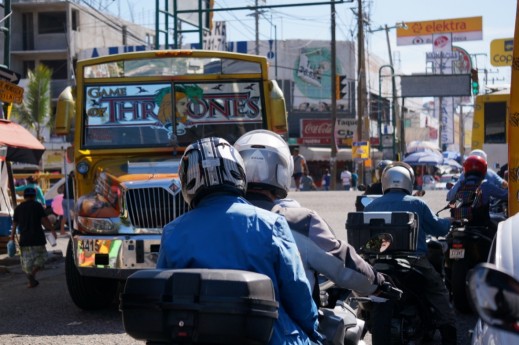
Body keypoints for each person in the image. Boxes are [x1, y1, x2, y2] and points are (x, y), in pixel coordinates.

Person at [157, 137, 323, 345]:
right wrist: (313, 332)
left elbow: (161, 299)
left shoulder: (172, 232)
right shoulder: (272, 224)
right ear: (239, 174)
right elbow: (298, 295)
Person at [234, 130, 386, 299]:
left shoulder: (207, 217)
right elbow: (342, 265)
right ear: (283, 171)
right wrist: (377, 282)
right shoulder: (301, 222)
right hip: (288, 323)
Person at [363, 161, 457, 345]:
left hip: (379, 262)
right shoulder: (417, 203)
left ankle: (365, 315)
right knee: (438, 291)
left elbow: (367, 238)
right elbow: (439, 229)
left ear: (385, 182)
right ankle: (450, 337)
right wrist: (449, 221)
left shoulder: (371, 206)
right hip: (415, 262)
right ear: (408, 182)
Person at [10, 187, 56, 288]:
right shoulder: (37, 206)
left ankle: (31, 279)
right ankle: (32, 275)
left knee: (27, 264)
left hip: (25, 240)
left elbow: (14, 225)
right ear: (34, 196)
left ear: (24, 197)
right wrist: (52, 230)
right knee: (42, 257)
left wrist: (12, 238)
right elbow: (45, 221)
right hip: (38, 238)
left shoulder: (18, 208)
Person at [446, 155, 508, 228]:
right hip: (481, 223)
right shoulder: (485, 184)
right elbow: (505, 195)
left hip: (461, 223)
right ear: (484, 169)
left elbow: (449, 197)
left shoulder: (461, 183)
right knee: (503, 221)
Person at [61, 171, 75, 235]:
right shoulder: (73, 181)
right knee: (74, 216)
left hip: (64, 200)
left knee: (65, 216)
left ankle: (62, 231)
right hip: (71, 200)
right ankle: (74, 230)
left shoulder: (66, 181)